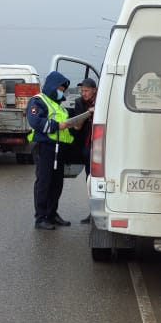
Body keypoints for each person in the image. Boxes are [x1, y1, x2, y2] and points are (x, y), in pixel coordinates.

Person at [25, 70, 75, 230]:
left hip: (59, 149)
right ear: (52, 86)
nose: (61, 92)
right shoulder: (37, 100)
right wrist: (56, 126)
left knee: (56, 183)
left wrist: (75, 125)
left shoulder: (59, 105)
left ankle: (52, 214)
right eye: (59, 89)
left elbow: (65, 127)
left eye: (63, 90)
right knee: (44, 182)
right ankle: (40, 218)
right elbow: (35, 121)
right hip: (44, 147)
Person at [67, 77, 98, 223]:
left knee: (100, 179)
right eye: (81, 91)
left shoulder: (103, 99)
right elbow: (77, 124)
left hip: (101, 145)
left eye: (86, 91)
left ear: (94, 90)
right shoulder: (79, 102)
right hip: (87, 145)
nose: (83, 93)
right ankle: (92, 213)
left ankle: (100, 211)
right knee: (89, 178)